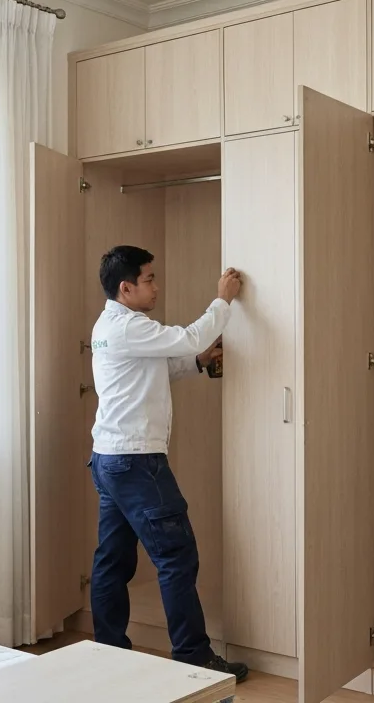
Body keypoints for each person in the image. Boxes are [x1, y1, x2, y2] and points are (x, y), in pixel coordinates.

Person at [88, 245, 248, 682]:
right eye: (149, 280)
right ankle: (195, 658)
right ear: (126, 287)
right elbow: (190, 336)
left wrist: (197, 364)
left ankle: (109, 653)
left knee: (112, 561)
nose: (156, 287)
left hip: (110, 457)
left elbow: (156, 368)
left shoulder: (111, 325)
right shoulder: (128, 327)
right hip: (136, 462)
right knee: (177, 555)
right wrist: (224, 298)